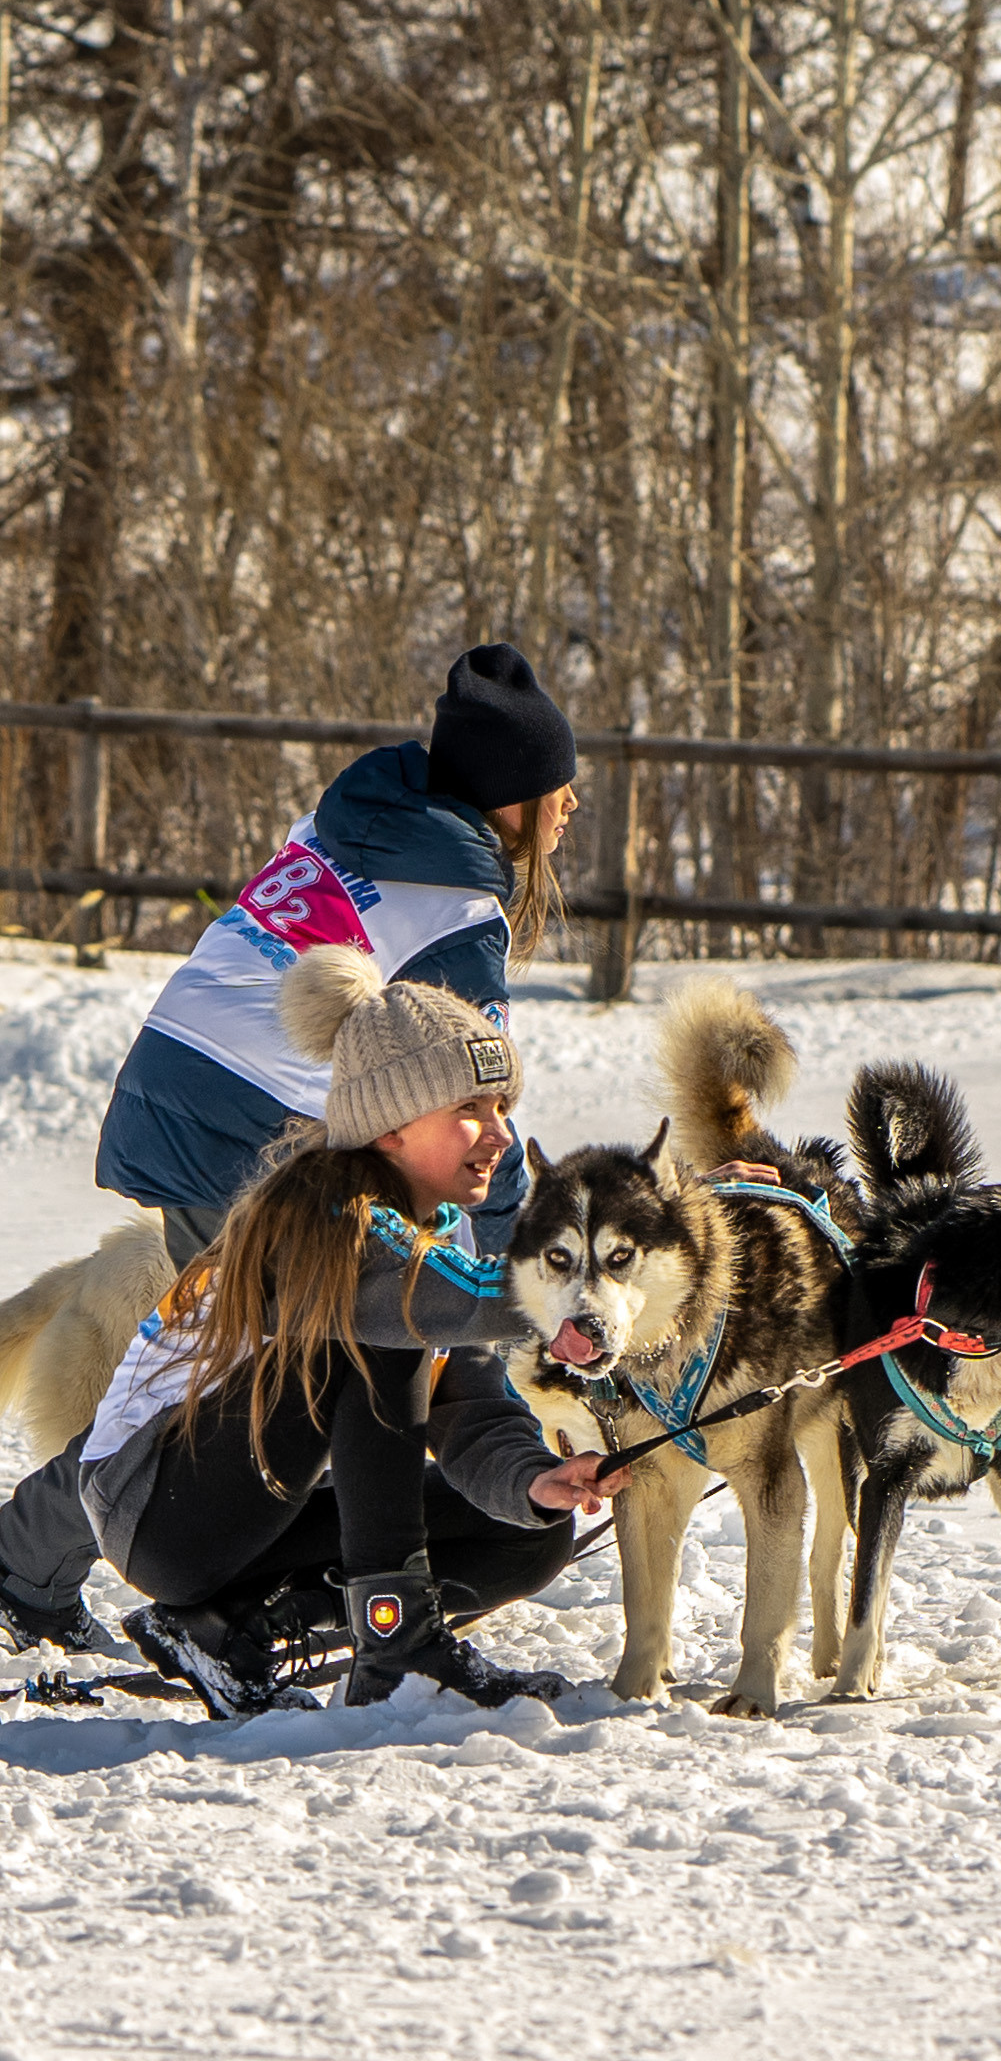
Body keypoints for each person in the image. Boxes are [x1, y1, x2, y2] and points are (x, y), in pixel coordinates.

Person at [0, 642, 579, 1653]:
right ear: (513, 801)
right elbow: (471, 1093)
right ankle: (92, 1567)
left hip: (171, 1083)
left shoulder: (354, 817)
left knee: (245, 1360)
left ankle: (45, 1555)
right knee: (293, 1353)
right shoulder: (457, 907)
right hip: (253, 1125)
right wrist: (519, 1256)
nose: (569, 809)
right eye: (556, 790)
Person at [80, 949, 626, 1717]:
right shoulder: (322, 1217)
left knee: (528, 1531)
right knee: (380, 1334)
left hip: (251, 1506)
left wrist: (532, 1480)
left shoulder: (436, 1240)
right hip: (156, 1506)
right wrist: (567, 1296)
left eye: (503, 1108)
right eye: (471, 1109)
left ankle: (230, 1628)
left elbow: (466, 1400)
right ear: (390, 1126)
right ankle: (396, 1648)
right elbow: (434, 1306)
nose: (499, 1135)